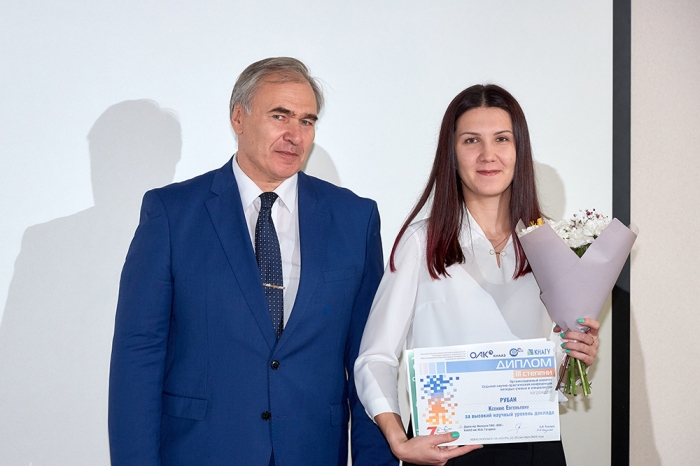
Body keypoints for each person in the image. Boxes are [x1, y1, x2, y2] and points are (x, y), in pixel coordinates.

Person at [108, 57, 396, 466]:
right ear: (238, 118)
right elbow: (138, 354)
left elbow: (367, 359)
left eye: (307, 121)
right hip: (202, 451)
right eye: (280, 116)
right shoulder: (172, 214)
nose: (295, 134)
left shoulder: (355, 218)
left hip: (312, 451)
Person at [354, 84, 600, 466]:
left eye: (502, 139)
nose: (488, 155)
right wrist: (399, 440)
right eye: (471, 140)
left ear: (519, 151)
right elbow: (375, 357)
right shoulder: (420, 243)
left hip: (535, 449)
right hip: (445, 451)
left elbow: (553, 364)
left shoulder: (550, 244)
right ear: (451, 155)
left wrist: (576, 357)